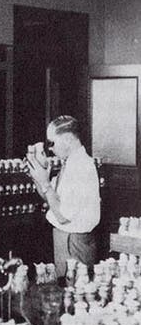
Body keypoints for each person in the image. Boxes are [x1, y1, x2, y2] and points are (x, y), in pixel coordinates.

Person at [26, 115, 100, 277]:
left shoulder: (81, 167)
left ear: (67, 139)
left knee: (74, 291)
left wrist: (45, 183)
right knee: (65, 290)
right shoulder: (70, 164)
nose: (50, 148)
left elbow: (62, 216)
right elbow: (50, 200)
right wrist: (38, 176)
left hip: (74, 242)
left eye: (52, 142)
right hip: (65, 238)